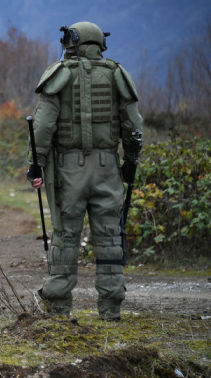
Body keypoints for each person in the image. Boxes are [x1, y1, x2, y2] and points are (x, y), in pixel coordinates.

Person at [27, 21, 143, 321]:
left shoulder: (59, 76)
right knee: (109, 236)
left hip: (68, 170)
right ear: (98, 44)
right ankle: (110, 310)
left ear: (72, 43)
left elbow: (42, 126)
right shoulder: (118, 75)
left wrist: (35, 164)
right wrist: (129, 163)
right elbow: (134, 127)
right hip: (108, 168)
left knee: (65, 236)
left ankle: (58, 308)